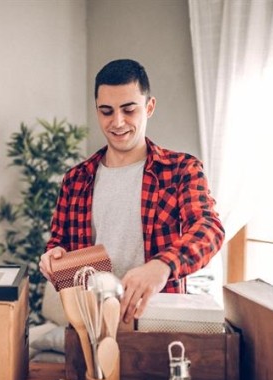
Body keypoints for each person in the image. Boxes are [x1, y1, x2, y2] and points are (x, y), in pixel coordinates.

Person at [39, 59, 224, 323]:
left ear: (149, 107)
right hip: (91, 324)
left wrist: (162, 266)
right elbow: (58, 245)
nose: (117, 122)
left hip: (159, 320)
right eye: (106, 111)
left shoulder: (182, 169)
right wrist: (53, 258)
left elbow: (209, 229)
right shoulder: (75, 179)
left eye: (129, 110)